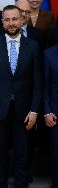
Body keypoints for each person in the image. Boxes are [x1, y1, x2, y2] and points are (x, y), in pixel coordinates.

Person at [0, 5, 42, 187]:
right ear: (2, 22)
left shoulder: (33, 46)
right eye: (7, 20)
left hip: (25, 112)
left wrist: (34, 110)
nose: (11, 23)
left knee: (23, 155)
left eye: (14, 19)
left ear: (22, 19)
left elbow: (38, 83)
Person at [43, 43, 58, 188]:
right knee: (56, 154)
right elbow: (45, 85)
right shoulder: (49, 54)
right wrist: (47, 111)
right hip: (55, 114)